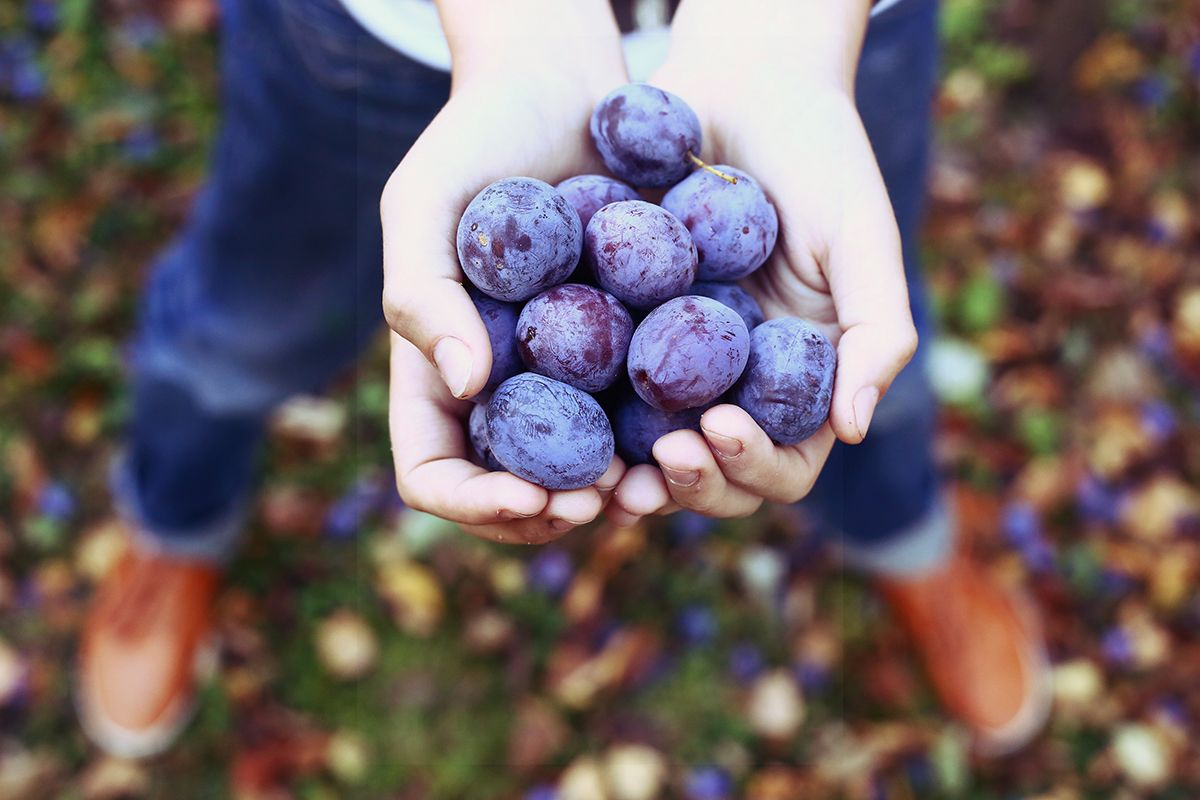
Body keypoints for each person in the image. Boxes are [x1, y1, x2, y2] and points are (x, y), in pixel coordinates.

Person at [77, 0, 1050, 761]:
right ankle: (178, 521)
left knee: (851, 340)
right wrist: (517, 28)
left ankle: (904, 537)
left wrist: (791, 31)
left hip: (818, 33)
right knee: (250, 317)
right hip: (388, 26)